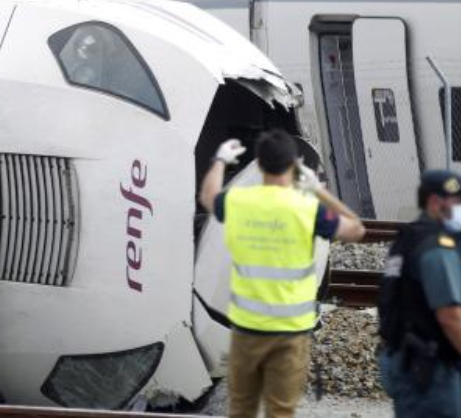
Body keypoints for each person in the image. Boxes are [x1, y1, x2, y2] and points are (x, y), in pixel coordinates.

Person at [198, 129, 365, 418]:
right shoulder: (308, 209)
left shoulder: (241, 204)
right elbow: (356, 228)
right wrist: (318, 190)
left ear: (259, 165)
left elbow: (208, 197)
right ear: (292, 167)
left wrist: (221, 160)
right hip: (289, 330)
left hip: (247, 328)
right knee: (280, 408)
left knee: (242, 407)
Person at [377, 169, 461, 417]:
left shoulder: (406, 240)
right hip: (433, 375)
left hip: (406, 364)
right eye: (457, 201)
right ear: (436, 201)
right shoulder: (436, 248)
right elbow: (450, 316)